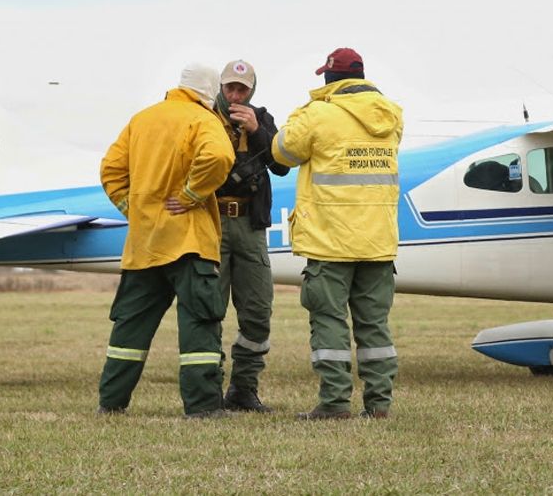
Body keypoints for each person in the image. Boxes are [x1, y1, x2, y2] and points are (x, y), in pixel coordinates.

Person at [270, 47, 404, 420]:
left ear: (329, 78)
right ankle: (379, 404)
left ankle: (335, 402)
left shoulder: (318, 115)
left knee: (329, 321)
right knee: (374, 325)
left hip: (330, 241)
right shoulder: (391, 115)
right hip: (378, 241)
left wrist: (302, 112)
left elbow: (282, 152)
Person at [97, 62, 236, 419]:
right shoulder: (203, 120)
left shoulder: (142, 119)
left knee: (130, 327)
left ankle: (111, 403)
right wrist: (191, 194)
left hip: (145, 243)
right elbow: (220, 156)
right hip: (189, 241)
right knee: (199, 323)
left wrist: (133, 209)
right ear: (210, 91)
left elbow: (110, 169)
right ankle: (202, 407)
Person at [209, 59, 290, 413]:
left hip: (250, 227)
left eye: (242, 89)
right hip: (211, 226)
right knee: (207, 309)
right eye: (230, 88)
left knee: (258, 310)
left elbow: (282, 165)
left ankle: (243, 389)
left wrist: (257, 130)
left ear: (252, 90)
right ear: (220, 87)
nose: (235, 95)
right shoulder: (205, 117)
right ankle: (207, 392)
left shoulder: (263, 118)